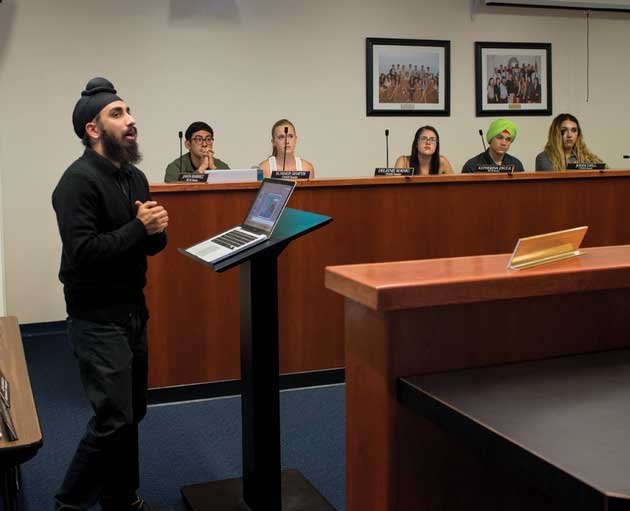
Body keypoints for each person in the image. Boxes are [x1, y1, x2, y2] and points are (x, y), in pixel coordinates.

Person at [52, 77, 168, 511]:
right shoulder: (76, 183)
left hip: (133, 310)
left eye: (129, 111)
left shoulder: (135, 177)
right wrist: (140, 227)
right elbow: (84, 253)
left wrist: (154, 229)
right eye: (117, 114)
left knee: (133, 412)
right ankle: (68, 504)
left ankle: (121, 498)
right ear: (93, 129)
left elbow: (151, 244)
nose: (131, 120)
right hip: (96, 317)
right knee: (113, 419)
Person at [164, 121, 229, 182]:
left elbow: (230, 186)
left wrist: (213, 168)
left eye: (208, 139)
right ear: (188, 144)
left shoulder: (221, 166)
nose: (204, 144)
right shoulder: (175, 168)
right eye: (199, 139)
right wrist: (202, 168)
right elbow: (174, 188)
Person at [535, 113, 604, 171]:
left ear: (578, 134)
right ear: (555, 133)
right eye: (564, 130)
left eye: (574, 130)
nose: (569, 135)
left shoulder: (587, 157)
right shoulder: (544, 158)